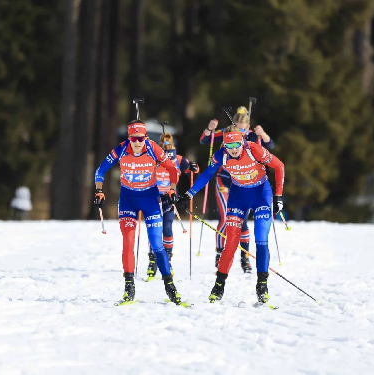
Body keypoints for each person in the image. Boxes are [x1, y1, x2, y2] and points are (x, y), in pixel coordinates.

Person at [176, 124, 285, 304]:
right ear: (224, 146)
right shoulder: (220, 156)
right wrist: (188, 195)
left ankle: (262, 285)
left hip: (261, 195)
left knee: (261, 240)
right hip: (238, 196)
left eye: (236, 146)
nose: (233, 150)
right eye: (229, 146)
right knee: (231, 242)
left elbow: (279, 166)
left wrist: (279, 196)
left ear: (242, 142)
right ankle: (218, 286)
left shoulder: (254, 150)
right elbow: (206, 175)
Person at [94, 120, 185, 305]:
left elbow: (173, 169)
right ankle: (129, 288)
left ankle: (170, 287)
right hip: (128, 200)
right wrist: (99, 190)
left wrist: (172, 189)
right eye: (133, 138)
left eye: (140, 138)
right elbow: (100, 170)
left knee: (157, 244)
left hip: (150, 200)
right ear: (129, 138)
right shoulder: (120, 149)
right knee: (128, 241)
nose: (137, 142)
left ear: (145, 137)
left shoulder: (153, 149)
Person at [200, 106, 275, 272]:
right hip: (224, 180)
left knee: (243, 223)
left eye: (243, 128)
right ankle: (220, 253)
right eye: (237, 126)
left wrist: (262, 134)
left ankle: (244, 256)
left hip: (244, 183)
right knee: (226, 217)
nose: (240, 131)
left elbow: (271, 145)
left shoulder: (252, 137)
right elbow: (205, 140)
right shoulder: (227, 133)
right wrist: (209, 129)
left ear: (248, 127)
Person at [146, 132, 199, 280]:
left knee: (167, 227)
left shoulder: (180, 159)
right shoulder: (154, 156)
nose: (168, 159)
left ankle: (167, 259)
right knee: (154, 227)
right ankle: (153, 260)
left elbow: (192, 170)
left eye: (171, 155)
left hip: (170, 198)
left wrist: (194, 167)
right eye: (165, 153)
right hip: (154, 197)